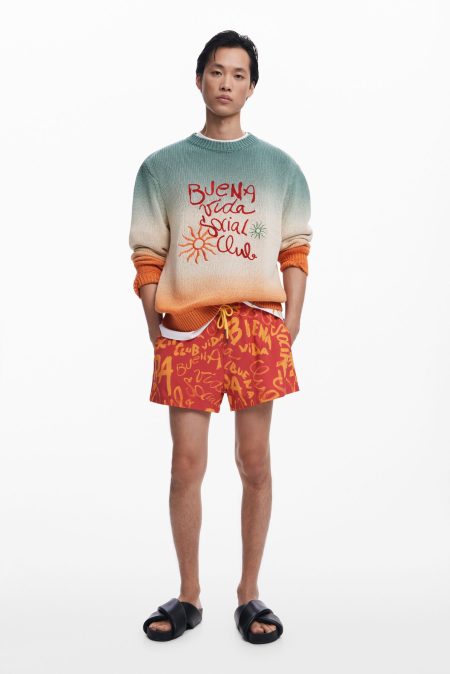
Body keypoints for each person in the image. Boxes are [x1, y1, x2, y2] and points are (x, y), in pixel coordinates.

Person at [129, 29, 313, 645]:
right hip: (189, 329)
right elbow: (148, 253)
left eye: (238, 74)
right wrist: (155, 323)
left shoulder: (281, 168)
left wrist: (290, 323)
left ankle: (249, 592)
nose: (226, 83)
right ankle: (189, 595)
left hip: (257, 328)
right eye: (216, 71)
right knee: (186, 464)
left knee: (254, 461)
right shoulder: (161, 168)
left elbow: (295, 249)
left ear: (252, 87)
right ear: (199, 79)